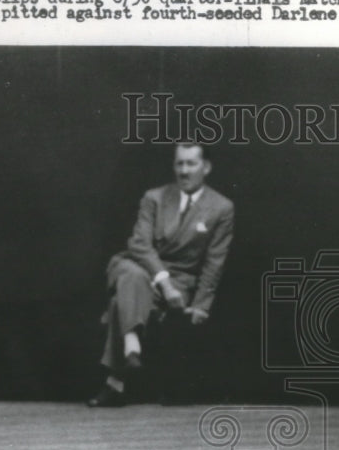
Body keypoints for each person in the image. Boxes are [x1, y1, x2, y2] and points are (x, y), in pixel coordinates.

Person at [88, 143, 235, 407]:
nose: (184, 170)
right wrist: (164, 284)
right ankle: (131, 342)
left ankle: (116, 382)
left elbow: (215, 261)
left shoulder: (222, 207)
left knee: (120, 297)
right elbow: (139, 244)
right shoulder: (154, 197)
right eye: (179, 164)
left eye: (191, 164)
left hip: (180, 280)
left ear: (206, 167)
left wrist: (201, 305)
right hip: (144, 267)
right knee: (130, 272)